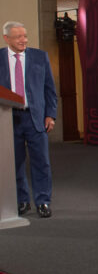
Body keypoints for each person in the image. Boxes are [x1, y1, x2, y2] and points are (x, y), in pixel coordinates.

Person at [1, 21, 57, 218]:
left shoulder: (40, 57)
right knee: (13, 163)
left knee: (41, 162)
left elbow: (49, 89)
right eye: (18, 37)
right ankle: (21, 201)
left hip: (36, 118)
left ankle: (43, 201)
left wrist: (51, 114)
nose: (23, 40)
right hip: (8, 119)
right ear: (6, 38)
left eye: (25, 36)